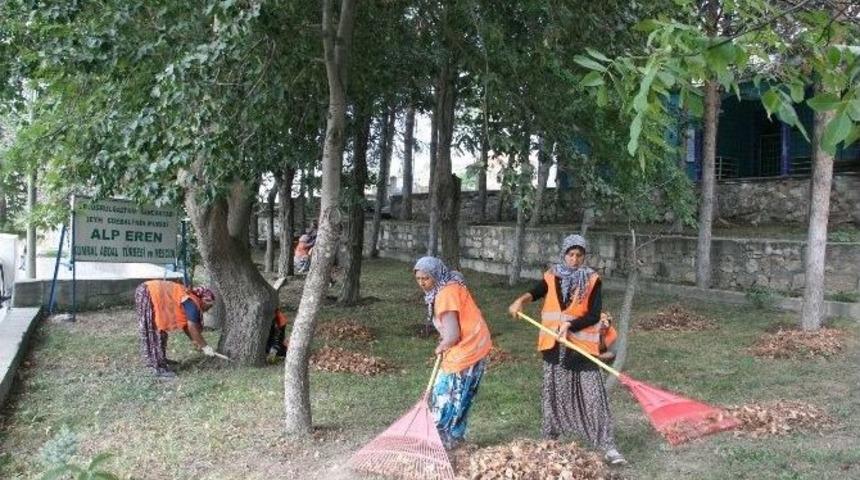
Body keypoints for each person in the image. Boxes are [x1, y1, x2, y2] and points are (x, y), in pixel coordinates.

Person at [507, 234, 626, 466]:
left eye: (579, 255)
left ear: (584, 257)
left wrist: (570, 325)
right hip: (553, 347)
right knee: (553, 395)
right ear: (564, 255)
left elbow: (593, 314)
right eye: (570, 255)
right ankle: (550, 440)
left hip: (581, 348)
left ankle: (608, 446)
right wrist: (520, 300)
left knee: (593, 396)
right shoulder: (552, 276)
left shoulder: (592, 280)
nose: (574, 259)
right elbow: (536, 291)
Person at [414, 256, 492, 450]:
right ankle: (451, 436)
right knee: (455, 393)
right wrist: (446, 339)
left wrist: (443, 344)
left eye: (426, 278)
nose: (422, 283)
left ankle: (445, 438)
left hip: (468, 347)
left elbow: (454, 335)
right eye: (419, 278)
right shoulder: (448, 285)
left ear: (436, 276)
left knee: (449, 394)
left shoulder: (445, 294)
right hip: (472, 343)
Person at [135, 280, 223, 378]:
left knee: (161, 333)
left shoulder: (190, 301)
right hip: (148, 293)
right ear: (203, 300)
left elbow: (186, 326)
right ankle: (156, 368)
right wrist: (205, 347)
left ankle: (161, 359)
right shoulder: (193, 303)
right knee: (155, 332)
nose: (208, 309)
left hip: (151, 291)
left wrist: (195, 341)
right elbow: (191, 327)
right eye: (209, 305)